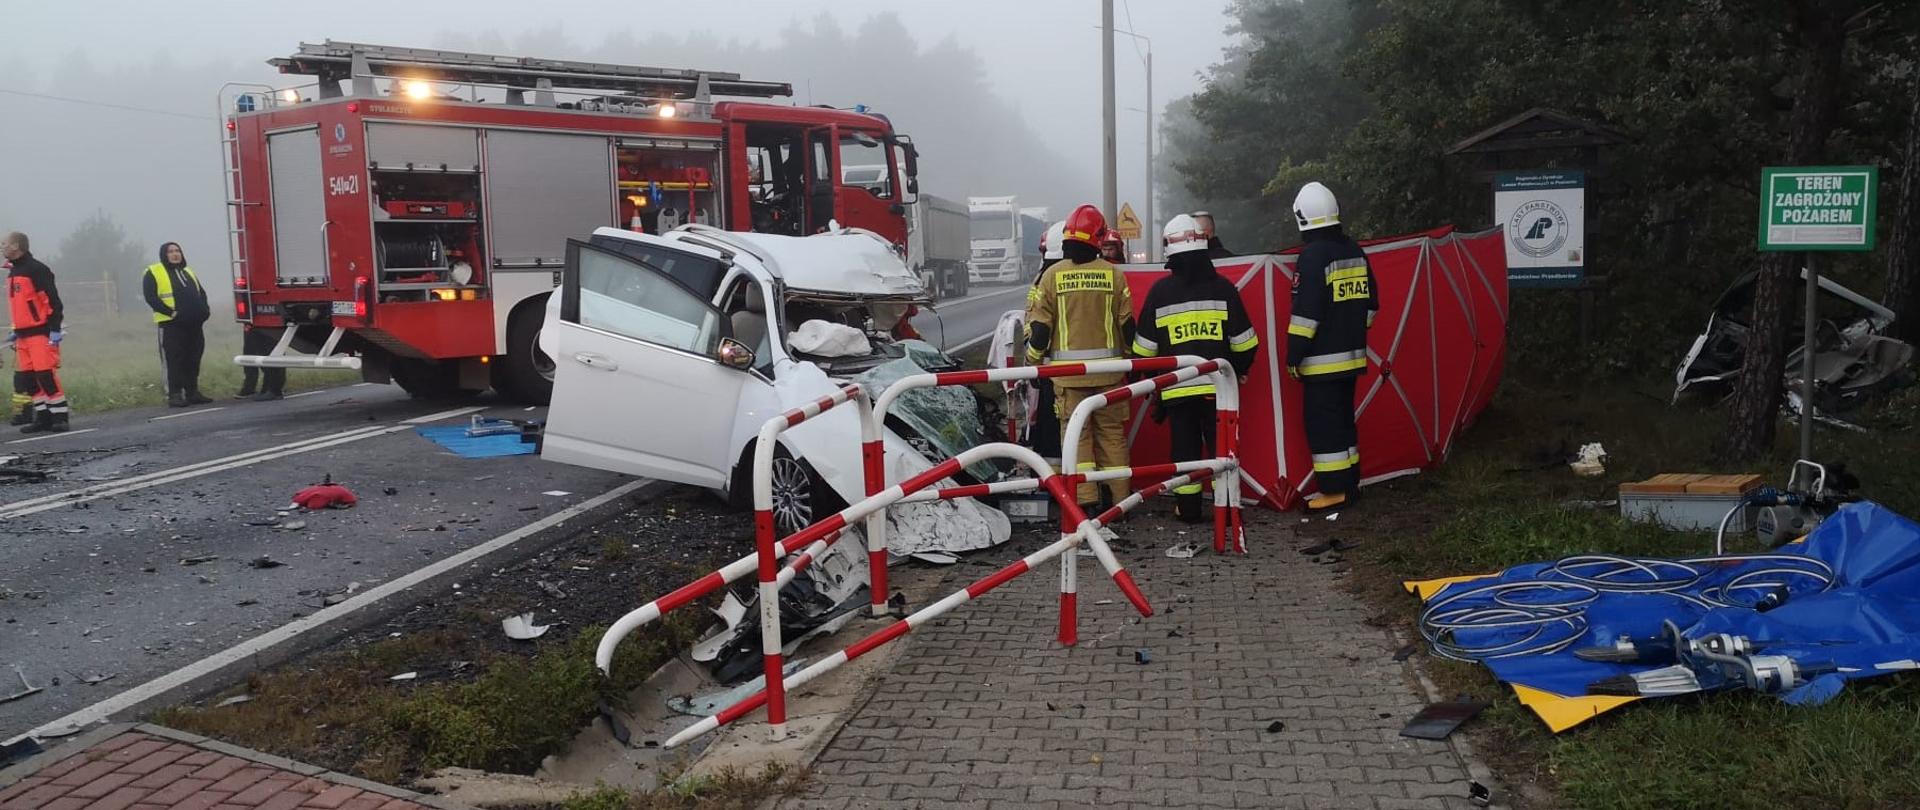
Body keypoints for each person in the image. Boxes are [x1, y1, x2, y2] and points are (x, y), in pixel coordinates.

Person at [1131, 214, 1259, 522]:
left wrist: (1157, 385)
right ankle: (1226, 510)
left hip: (1178, 391)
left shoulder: (1160, 292)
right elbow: (1246, 344)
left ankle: (1187, 511)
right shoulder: (1224, 289)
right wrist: (1238, 370)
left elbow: (1142, 350)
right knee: (1222, 452)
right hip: (1220, 391)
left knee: (1184, 452)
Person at [1026, 205, 1136, 518]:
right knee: (1112, 438)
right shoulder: (1113, 274)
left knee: (1078, 439)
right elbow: (1127, 325)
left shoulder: (1051, 276)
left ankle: (1084, 502)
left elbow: (1040, 330)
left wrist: (1034, 365)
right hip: (1111, 376)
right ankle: (1119, 501)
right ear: (1098, 237)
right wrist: (1132, 363)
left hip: (1067, 378)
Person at [1286, 182, 1377, 511]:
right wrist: (1350, 332)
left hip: (1321, 363)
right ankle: (1350, 484)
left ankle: (1334, 491)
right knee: (1343, 423)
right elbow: (1371, 306)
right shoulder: (1354, 250)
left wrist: (1293, 356)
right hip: (1352, 358)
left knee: (1323, 427)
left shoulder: (1312, 257)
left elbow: (1306, 315)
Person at [5, 233, 70, 433]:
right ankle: (42, 416)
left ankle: (60, 416)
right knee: (29, 379)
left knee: (45, 375)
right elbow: (19, 306)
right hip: (23, 334)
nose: (2, 247)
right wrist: (16, 329)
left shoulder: (36, 269)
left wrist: (54, 328)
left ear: (16, 246)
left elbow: (51, 300)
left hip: (40, 333)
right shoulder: (13, 272)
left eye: (4, 244)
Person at [144, 242, 212, 407]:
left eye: (177, 251)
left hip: (194, 324)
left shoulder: (187, 271)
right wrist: (171, 313)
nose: (175, 254)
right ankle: (174, 395)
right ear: (164, 254)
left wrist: (204, 311)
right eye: (171, 251)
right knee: (174, 360)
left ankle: (192, 392)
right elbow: (151, 297)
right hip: (171, 325)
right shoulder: (153, 271)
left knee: (193, 358)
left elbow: (201, 293)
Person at [1023, 221, 1069, 463]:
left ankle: (1053, 483)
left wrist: (1032, 360)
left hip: (1048, 366)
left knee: (1051, 430)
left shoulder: (1044, 278)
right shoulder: (1055, 278)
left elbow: (1033, 324)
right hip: (1063, 367)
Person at [236, 325, 286, 401]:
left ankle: (273, 388)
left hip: (269, 320)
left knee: (271, 350)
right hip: (253, 320)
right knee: (251, 350)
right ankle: (252, 387)